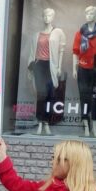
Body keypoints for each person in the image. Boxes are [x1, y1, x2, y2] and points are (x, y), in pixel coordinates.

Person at [72, 6, 96, 139]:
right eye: (87, 13)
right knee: (84, 97)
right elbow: (75, 52)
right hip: (83, 69)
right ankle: (86, 126)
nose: (88, 15)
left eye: (91, 13)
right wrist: (74, 68)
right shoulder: (80, 33)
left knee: (95, 98)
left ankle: (94, 126)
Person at [31, 8, 66, 136]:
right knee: (41, 95)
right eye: (45, 15)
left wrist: (59, 67)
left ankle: (46, 123)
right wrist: (31, 67)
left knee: (50, 95)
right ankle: (40, 122)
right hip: (39, 65)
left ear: (53, 17)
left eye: (50, 15)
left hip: (51, 66)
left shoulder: (58, 32)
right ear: (42, 17)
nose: (47, 18)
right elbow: (32, 52)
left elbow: (61, 50)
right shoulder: (37, 34)